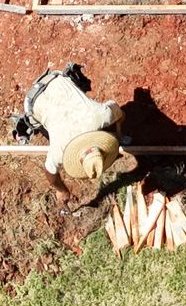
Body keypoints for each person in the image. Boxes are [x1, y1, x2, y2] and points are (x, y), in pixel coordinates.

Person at [10, 63, 122, 210]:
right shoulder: (61, 148)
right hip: (34, 101)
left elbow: (119, 112)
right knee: (37, 126)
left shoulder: (102, 115)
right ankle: (24, 125)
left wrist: (118, 136)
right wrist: (61, 190)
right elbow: (49, 172)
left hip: (57, 79)